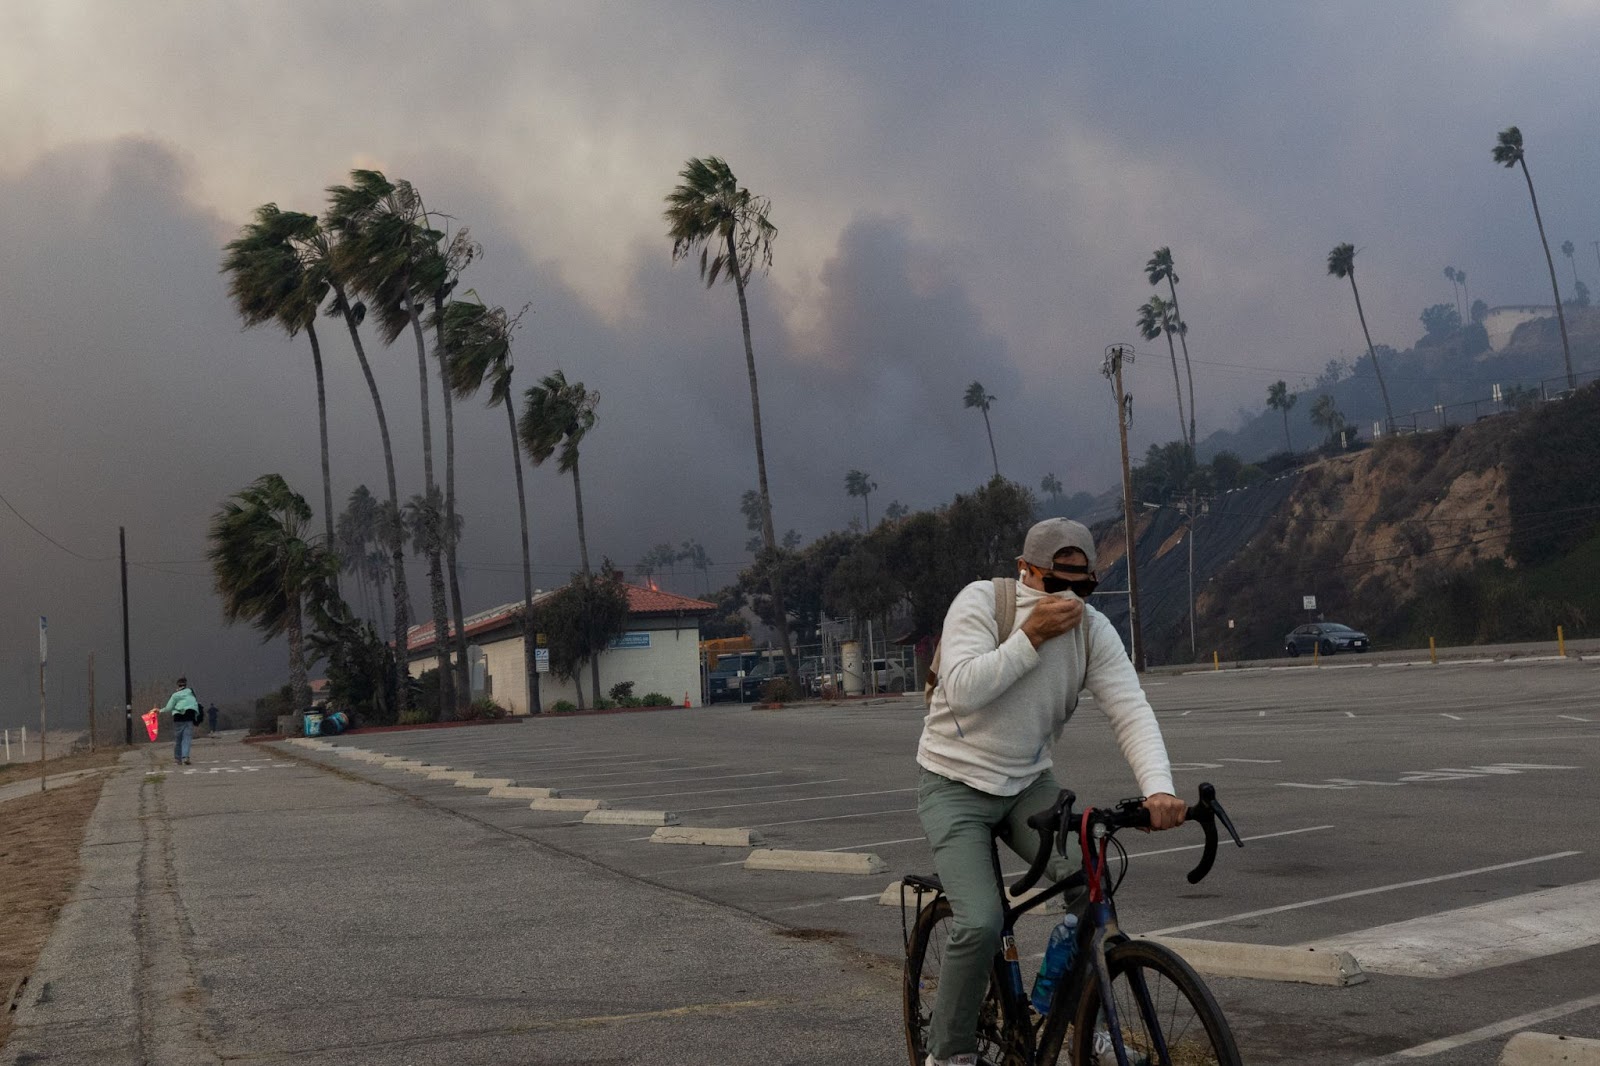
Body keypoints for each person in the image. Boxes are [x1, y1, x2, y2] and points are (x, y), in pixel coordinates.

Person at [917, 518, 1184, 1066]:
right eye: (1057, 585)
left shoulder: (1092, 631)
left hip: (1027, 782)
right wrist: (1031, 635)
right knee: (981, 922)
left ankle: (1085, 1015)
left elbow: (1130, 708)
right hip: (953, 782)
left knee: (1091, 885)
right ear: (1026, 572)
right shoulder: (981, 603)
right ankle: (948, 1054)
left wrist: (1158, 788)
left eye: (1082, 587)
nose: (1070, 599)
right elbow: (963, 689)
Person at [159, 677, 203, 766]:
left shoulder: (175, 695)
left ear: (177, 685)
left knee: (178, 739)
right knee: (186, 738)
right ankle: (185, 757)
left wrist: (160, 710)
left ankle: (177, 759)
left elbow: (169, 708)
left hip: (178, 718)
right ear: (185, 685)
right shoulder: (190, 693)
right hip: (189, 717)